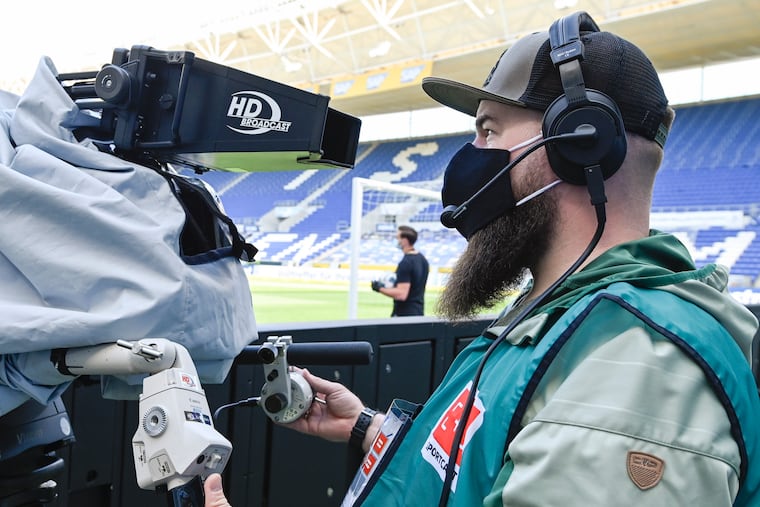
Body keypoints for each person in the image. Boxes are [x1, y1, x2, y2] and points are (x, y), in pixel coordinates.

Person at [207, 11, 760, 507]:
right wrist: (369, 430)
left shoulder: (635, 370)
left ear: (577, 141)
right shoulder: (572, 315)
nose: (470, 156)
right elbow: (502, 458)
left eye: (489, 129)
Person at [371, 225, 430, 316]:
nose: (396, 241)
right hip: (418, 312)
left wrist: (379, 288)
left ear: (405, 240)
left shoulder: (406, 263)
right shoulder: (423, 260)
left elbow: (401, 294)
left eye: (397, 238)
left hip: (404, 315)